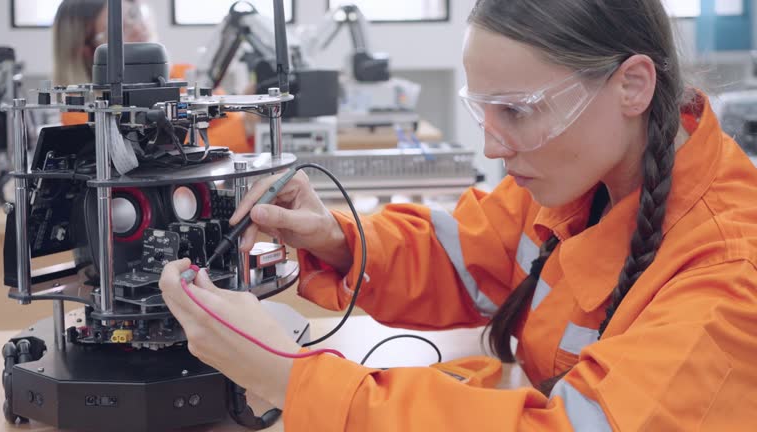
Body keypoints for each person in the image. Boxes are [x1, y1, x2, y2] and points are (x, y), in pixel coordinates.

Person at [159, 0, 757, 430]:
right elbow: (466, 252)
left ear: (632, 86)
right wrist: (342, 241)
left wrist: (289, 378)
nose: (494, 148)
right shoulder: (579, 178)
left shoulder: (729, 277)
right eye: (485, 115)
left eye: (518, 111)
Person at [51, 0, 253, 153]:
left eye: (134, 15)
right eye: (119, 29)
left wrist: (247, 118)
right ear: (86, 51)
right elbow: (152, 158)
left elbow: (235, 129)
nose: (138, 28)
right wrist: (245, 127)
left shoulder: (184, 75)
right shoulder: (80, 112)